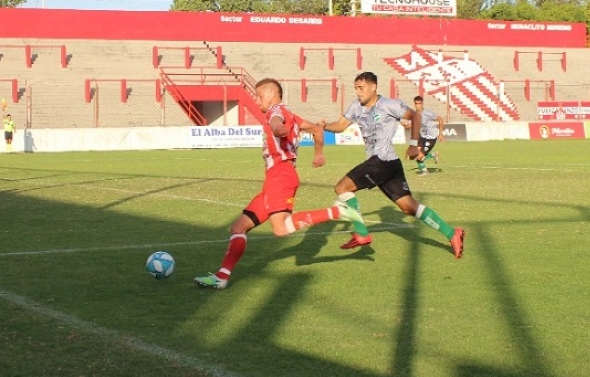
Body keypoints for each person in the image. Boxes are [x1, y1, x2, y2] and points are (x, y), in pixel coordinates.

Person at [194, 78, 364, 290]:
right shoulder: (291, 115)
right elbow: (317, 130)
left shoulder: (277, 110)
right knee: (239, 227)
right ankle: (222, 277)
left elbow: (276, 123)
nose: (257, 100)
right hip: (275, 178)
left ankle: (338, 212)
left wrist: (277, 129)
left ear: (272, 94)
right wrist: (318, 155)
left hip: (281, 175)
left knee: (281, 229)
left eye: (259, 95)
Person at [321, 72, 464, 258]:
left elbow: (416, 117)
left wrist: (413, 145)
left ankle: (361, 233)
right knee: (409, 207)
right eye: (356, 88)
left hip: (381, 162)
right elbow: (340, 125)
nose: (358, 92)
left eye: (361, 88)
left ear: (373, 87)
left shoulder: (389, 105)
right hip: (389, 164)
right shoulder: (356, 107)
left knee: (342, 188)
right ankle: (452, 233)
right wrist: (324, 126)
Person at [412, 95, 444, 175]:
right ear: (414, 104)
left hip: (431, 137)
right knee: (416, 155)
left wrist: (440, 134)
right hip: (422, 136)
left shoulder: (427, 113)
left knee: (419, 157)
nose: (418, 105)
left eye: (419, 104)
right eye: (416, 104)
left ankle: (425, 171)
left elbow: (440, 119)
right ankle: (433, 156)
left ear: (422, 104)